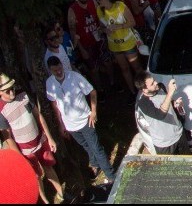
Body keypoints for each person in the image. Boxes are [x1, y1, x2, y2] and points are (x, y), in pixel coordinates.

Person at [45, 57, 114, 186]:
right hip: (70, 125)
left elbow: (92, 92)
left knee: (96, 148)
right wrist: (61, 125)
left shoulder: (74, 77)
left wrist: (93, 112)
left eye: (60, 68)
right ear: (50, 70)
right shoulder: (50, 83)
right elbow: (55, 105)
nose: (59, 72)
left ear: (62, 65)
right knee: (86, 146)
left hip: (85, 121)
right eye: (55, 70)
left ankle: (111, 175)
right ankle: (95, 164)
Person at [0, 73, 63, 204]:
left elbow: (38, 115)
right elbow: (8, 138)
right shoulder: (1, 110)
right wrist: (20, 159)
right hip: (25, 149)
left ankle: (62, 194)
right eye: (7, 91)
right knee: (35, 176)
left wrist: (49, 137)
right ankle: (46, 201)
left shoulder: (23, 95)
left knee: (49, 167)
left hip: (40, 139)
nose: (12, 92)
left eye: (12, 88)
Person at [95, 0, 143, 91]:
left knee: (137, 67)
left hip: (128, 43)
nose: (98, 1)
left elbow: (132, 22)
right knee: (124, 69)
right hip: (115, 45)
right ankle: (132, 92)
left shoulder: (120, 6)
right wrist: (104, 30)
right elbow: (101, 26)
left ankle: (144, 88)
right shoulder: (99, 10)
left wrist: (119, 26)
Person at [134, 72, 189, 155]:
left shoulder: (160, 87)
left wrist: (175, 104)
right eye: (152, 84)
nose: (156, 83)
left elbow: (167, 102)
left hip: (179, 134)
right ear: (144, 89)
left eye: (154, 80)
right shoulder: (143, 104)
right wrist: (170, 93)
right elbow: (160, 115)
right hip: (164, 144)